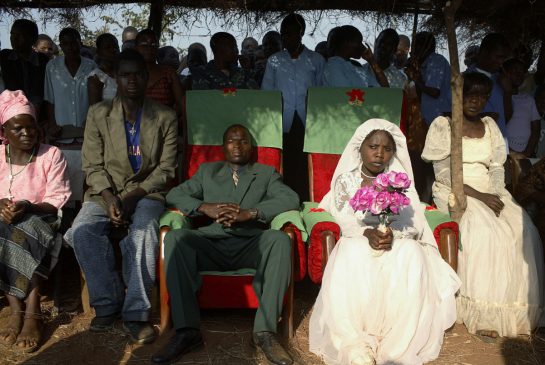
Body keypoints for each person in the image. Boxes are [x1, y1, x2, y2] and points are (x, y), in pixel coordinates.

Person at [309, 119, 460, 365]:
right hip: (357, 239)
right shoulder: (346, 181)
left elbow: (414, 223)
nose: (380, 154)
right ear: (360, 147)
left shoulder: (400, 182)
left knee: (410, 253)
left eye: (387, 148)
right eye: (373, 146)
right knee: (350, 251)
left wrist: (392, 233)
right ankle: (355, 342)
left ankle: (396, 347)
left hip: (396, 240)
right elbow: (342, 217)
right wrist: (366, 233)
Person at [151, 124, 299, 365]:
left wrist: (251, 213)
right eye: (231, 141)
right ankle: (187, 331)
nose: (237, 145)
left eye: (243, 141)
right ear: (223, 147)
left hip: (251, 244)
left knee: (280, 240)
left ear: (251, 147)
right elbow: (175, 194)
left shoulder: (265, 173)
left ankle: (265, 332)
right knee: (176, 239)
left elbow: (290, 198)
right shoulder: (207, 172)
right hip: (212, 242)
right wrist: (204, 207)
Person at [64, 49, 178, 344]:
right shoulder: (99, 113)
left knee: (143, 232)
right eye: (124, 74)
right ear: (116, 78)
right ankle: (107, 302)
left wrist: (133, 197)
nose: (131, 80)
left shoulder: (164, 116)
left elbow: (166, 169)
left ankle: (136, 312)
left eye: (137, 74)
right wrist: (110, 196)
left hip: (147, 192)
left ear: (145, 77)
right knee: (82, 232)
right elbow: (91, 164)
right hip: (104, 193)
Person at [422, 72, 545, 338]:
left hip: (489, 189)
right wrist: (477, 195)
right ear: (459, 95)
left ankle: (514, 311)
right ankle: (482, 311)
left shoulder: (490, 125)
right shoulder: (444, 124)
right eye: (470, 95)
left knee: (522, 230)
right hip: (455, 188)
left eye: (482, 97)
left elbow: (497, 166)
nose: (476, 102)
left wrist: (498, 194)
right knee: (483, 230)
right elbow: (443, 172)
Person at [0, 90, 71, 352]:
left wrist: (27, 205)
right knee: (3, 228)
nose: (26, 134)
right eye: (18, 129)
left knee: (22, 229)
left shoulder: (51, 155)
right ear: (4, 130)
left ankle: (32, 311)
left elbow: (55, 201)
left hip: (42, 218)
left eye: (31, 128)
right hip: (3, 222)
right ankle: (15, 308)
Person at [261, 13, 325, 201]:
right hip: (283, 121)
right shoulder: (274, 60)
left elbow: (322, 92)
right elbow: (267, 92)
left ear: (301, 32)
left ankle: (306, 201)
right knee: (285, 163)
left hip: (308, 122)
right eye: (283, 34)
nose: (286, 38)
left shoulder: (316, 60)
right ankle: (285, 201)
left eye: (290, 33)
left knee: (305, 164)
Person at [44, 27, 96, 141]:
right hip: (61, 132)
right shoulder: (52, 67)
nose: (70, 47)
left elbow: (96, 99)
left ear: (80, 44)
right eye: (65, 43)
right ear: (61, 46)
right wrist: (52, 124)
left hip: (87, 132)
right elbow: (49, 98)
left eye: (73, 43)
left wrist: (92, 121)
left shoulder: (91, 66)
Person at [466, 33, 511, 136]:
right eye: (498, 57)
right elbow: (452, 115)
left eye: (503, 58)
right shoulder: (464, 79)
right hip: (473, 143)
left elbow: (507, 117)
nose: (501, 62)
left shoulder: (502, 80)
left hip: (499, 141)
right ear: (484, 52)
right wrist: (481, 118)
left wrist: (508, 92)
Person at [0, 19, 49, 113]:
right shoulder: (4, 58)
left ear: (32, 39)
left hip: (40, 117)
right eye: (12, 34)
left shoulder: (43, 62)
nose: (13, 38)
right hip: (11, 115)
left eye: (19, 35)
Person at [405, 32, 452, 126]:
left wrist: (415, 78)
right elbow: (420, 93)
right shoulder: (423, 65)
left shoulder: (436, 61)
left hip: (441, 120)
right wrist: (415, 73)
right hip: (428, 120)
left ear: (424, 47)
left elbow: (434, 92)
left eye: (414, 47)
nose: (411, 51)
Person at [135, 29, 184, 117]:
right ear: (135, 48)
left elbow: (182, 104)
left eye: (154, 44)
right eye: (144, 44)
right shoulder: (128, 74)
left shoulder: (169, 74)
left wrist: (167, 121)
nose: (149, 48)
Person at [322, 25, 388, 88]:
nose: (362, 46)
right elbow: (346, 94)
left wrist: (372, 61)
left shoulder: (357, 68)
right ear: (346, 42)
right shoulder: (333, 66)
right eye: (359, 42)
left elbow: (384, 88)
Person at [190, 32, 259, 90]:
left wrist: (247, 70)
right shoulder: (201, 73)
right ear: (220, 49)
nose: (237, 51)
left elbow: (255, 95)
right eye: (233, 47)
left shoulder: (242, 72)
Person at [503, 58, 541, 157]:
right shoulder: (498, 97)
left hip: (526, 154)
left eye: (521, 72)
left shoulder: (528, 99)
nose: (519, 74)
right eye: (514, 70)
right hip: (504, 153)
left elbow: (536, 128)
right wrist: (511, 153)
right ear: (505, 73)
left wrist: (527, 152)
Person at [87, 33, 120, 106]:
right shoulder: (96, 77)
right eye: (108, 47)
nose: (113, 50)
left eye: (116, 46)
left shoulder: (123, 73)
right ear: (99, 52)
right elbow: (96, 112)